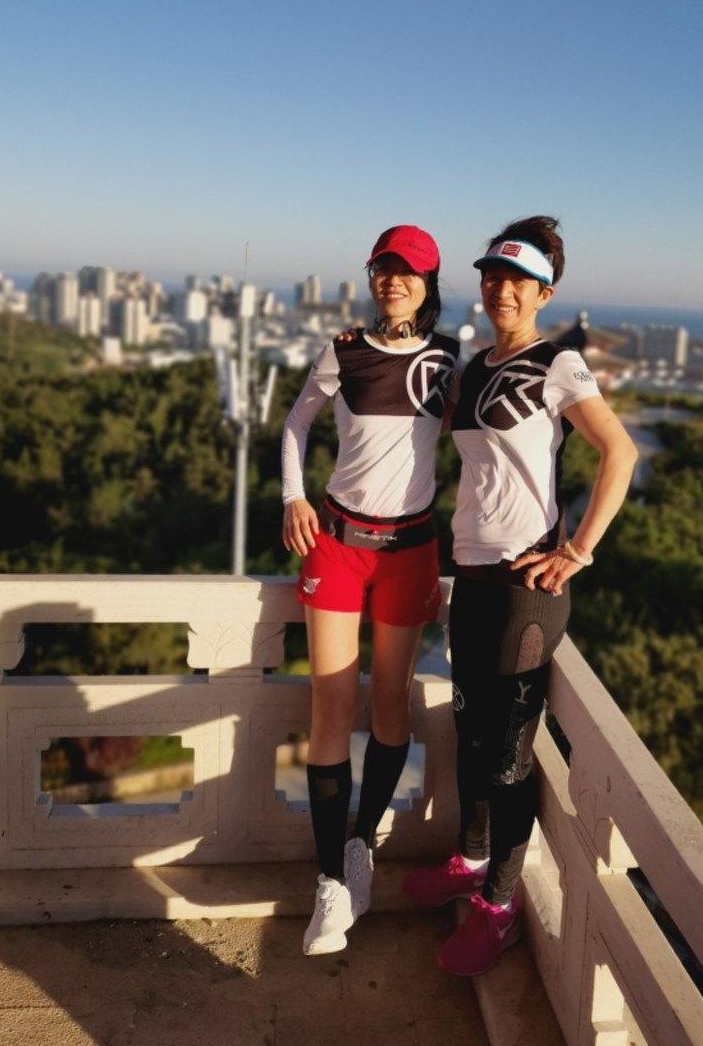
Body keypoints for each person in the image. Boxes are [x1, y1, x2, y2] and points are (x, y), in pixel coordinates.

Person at [403, 214, 638, 976]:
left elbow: (620, 452)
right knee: (470, 739)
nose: (502, 290)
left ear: (545, 293)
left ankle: (499, 908)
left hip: (524, 592)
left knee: (506, 757)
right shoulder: (472, 369)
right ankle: (471, 863)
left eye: (519, 281)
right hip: (470, 581)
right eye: (493, 277)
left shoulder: (556, 363)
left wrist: (578, 551)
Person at [281, 225, 459, 956]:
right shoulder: (345, 350)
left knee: (390, 704)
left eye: (407, 271)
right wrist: (292, 497)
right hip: (337, 542)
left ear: (428, 284)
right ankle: (329, 880)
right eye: (383, 269)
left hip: (410, 550)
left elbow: (487, 446)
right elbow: (297, 422)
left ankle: (361, 844)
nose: (393, 280)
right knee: (329, 702)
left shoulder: (449, 361)